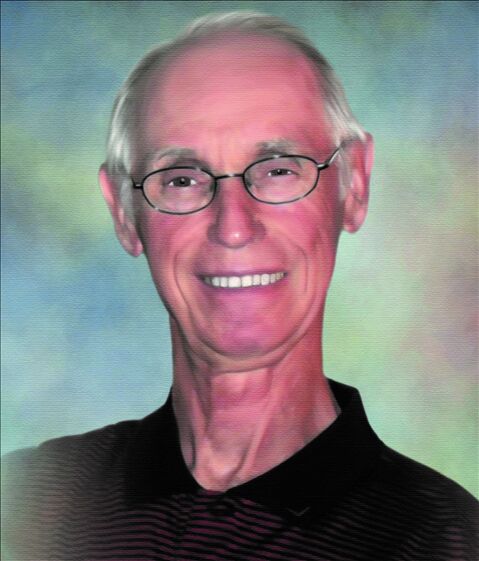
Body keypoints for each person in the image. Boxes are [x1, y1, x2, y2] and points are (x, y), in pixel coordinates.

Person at [2, 12, 477, 561]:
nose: (232, 227)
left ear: (354, 184)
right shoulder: (25, 503)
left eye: (278, 169)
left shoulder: (448, 541)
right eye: (181, 179)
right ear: (124, 213)